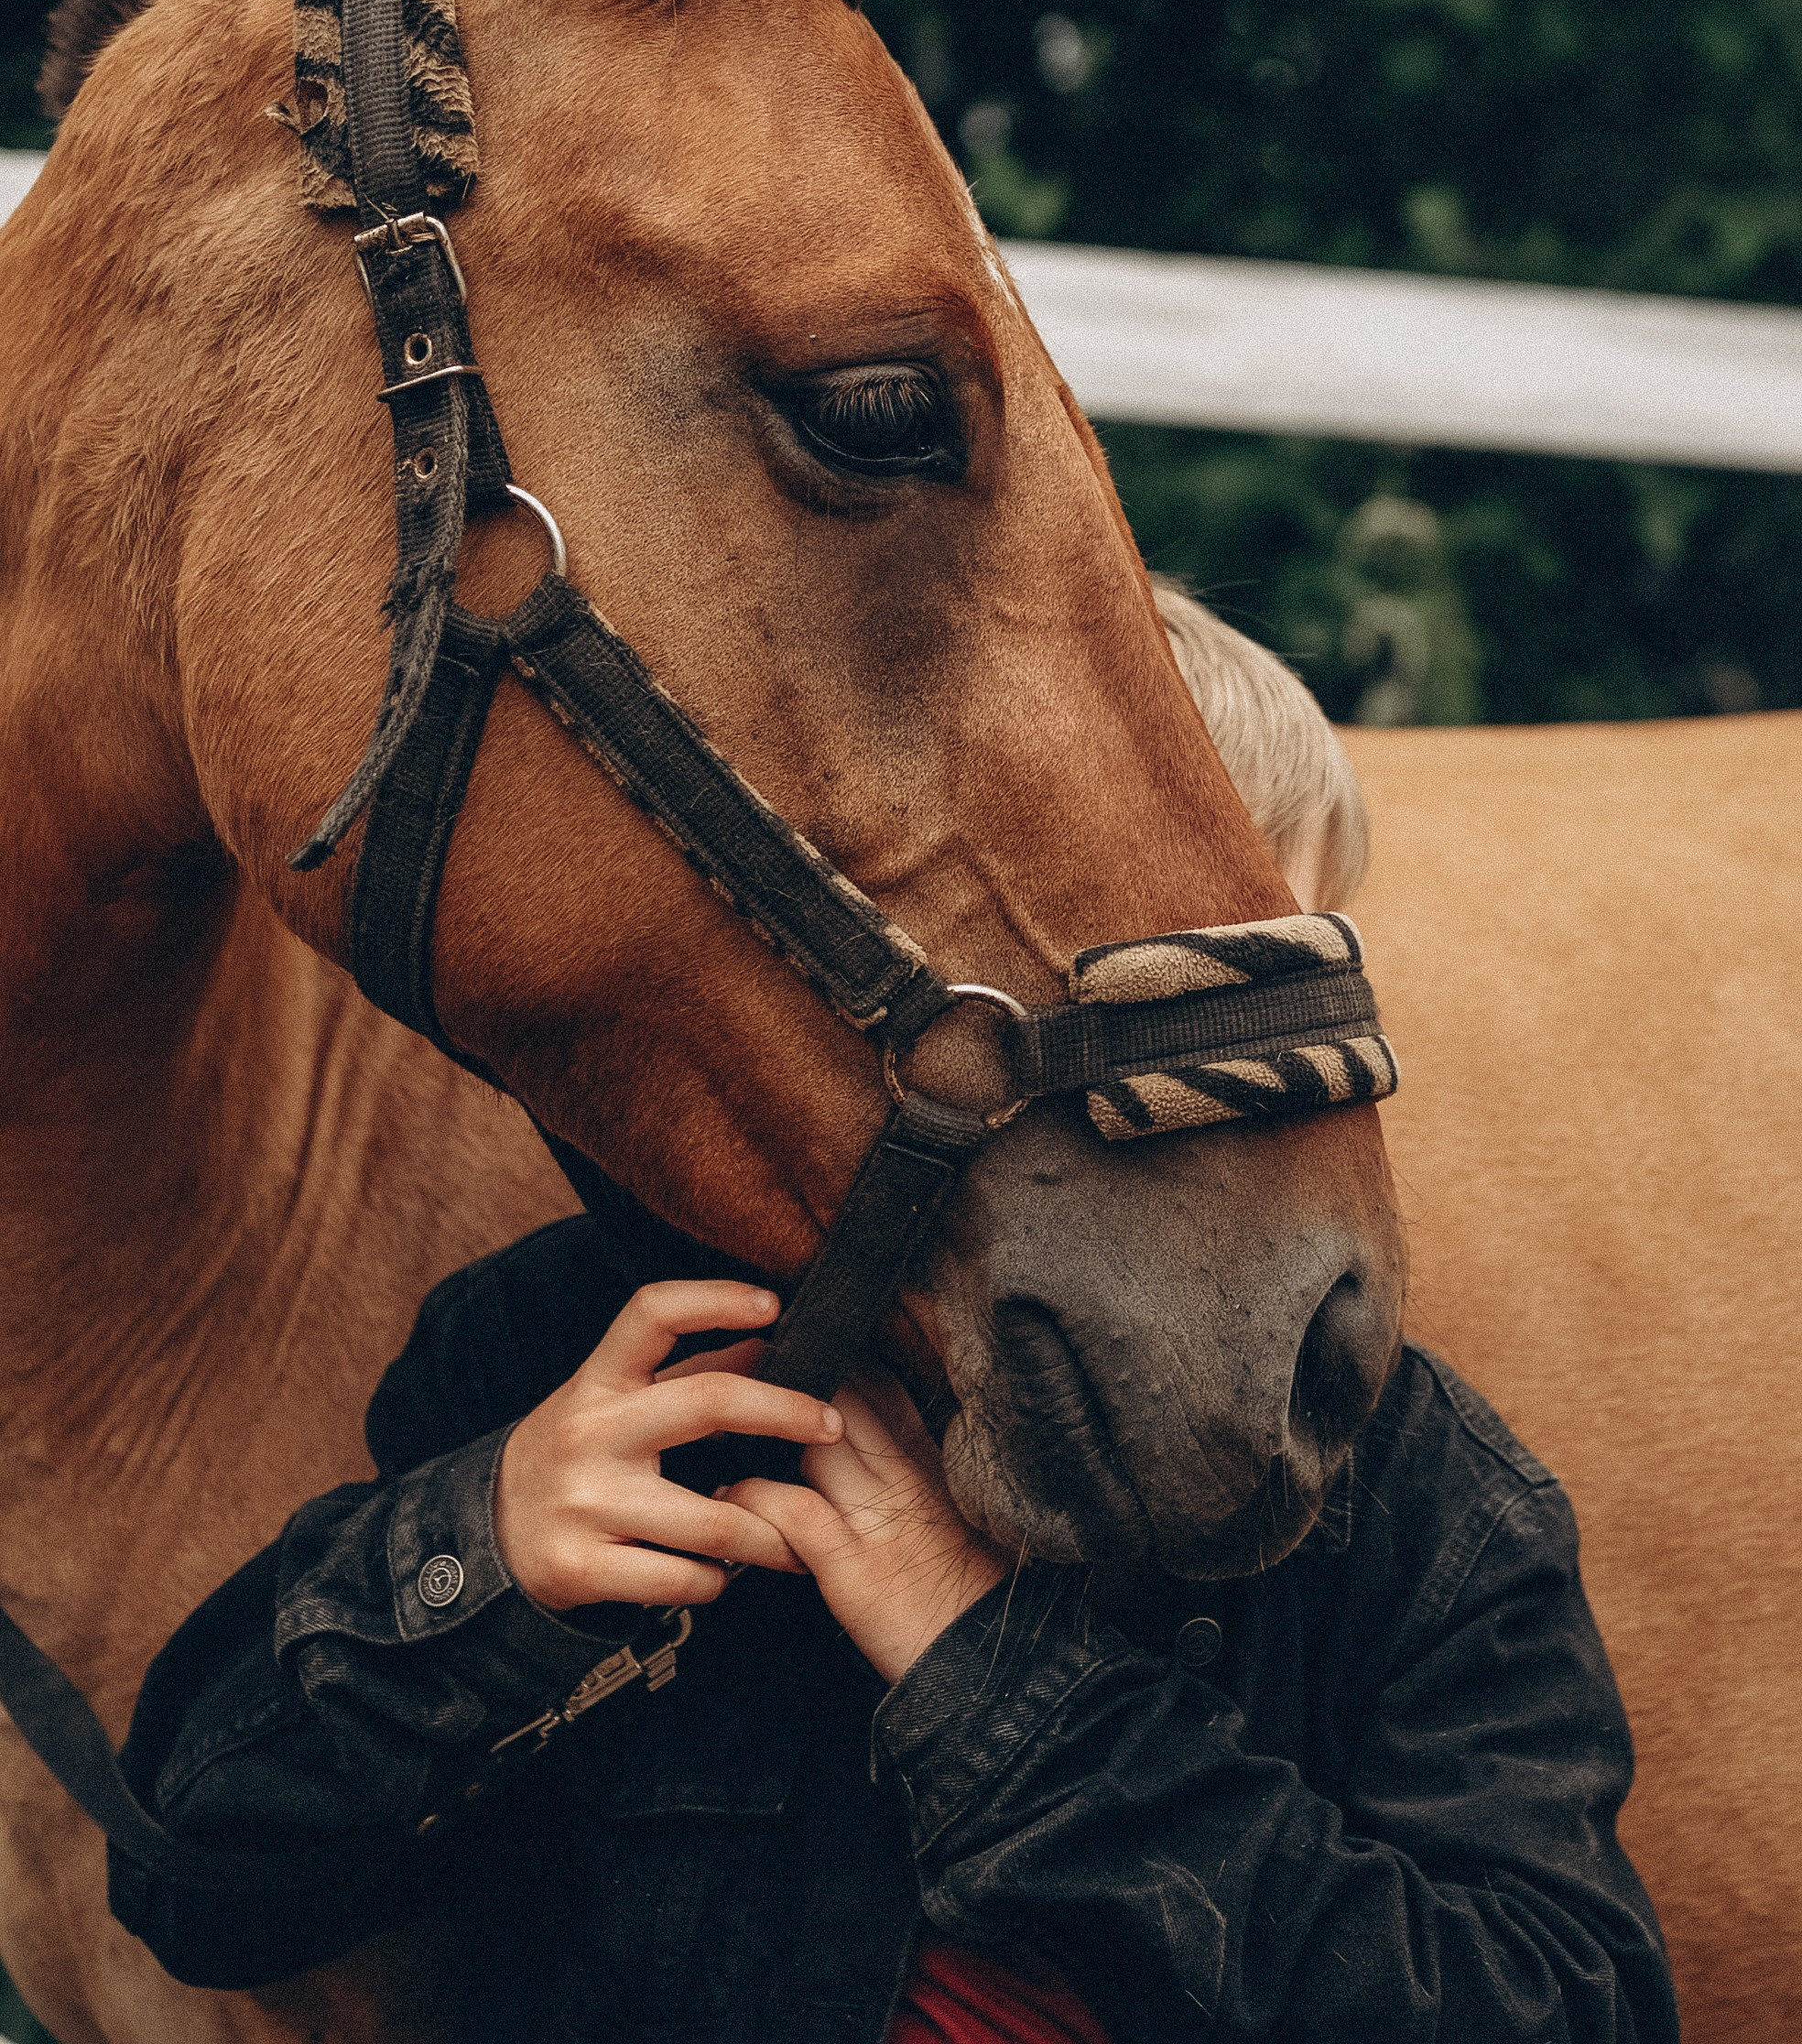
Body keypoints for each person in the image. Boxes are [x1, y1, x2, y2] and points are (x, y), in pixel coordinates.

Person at [108, 593, 1677, 2042]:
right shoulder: (575, 1365)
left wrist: (996, 1687)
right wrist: (480, 1558)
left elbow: (1565, 2008)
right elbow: (202, 1880)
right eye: (1143, 1015)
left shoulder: (1404, 1492)